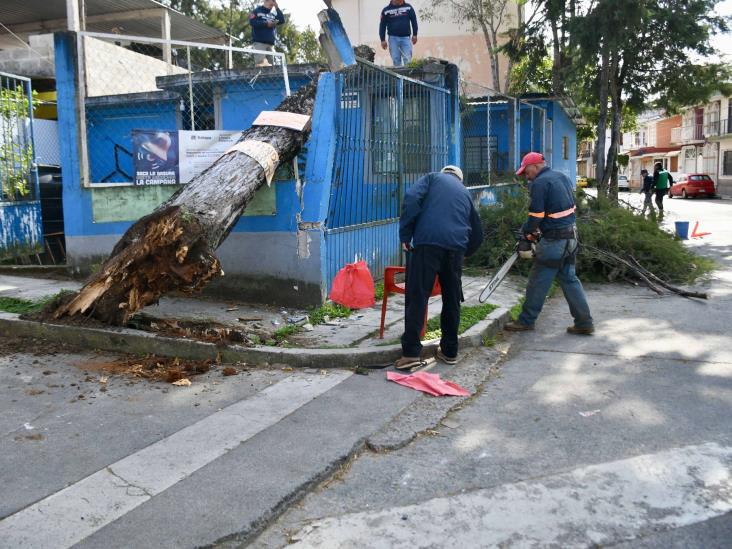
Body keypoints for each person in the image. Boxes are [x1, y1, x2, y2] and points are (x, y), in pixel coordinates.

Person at [397, 165, 484, 369]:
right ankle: (449, 351)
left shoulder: (432, 178)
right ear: (459, 179)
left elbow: (411, 198)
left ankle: (410, 353)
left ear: (445, 173)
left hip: (427, 244)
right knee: (452, 299)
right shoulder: (465, 193)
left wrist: (406, 234)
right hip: (455, 249)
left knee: (417, 296)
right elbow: (478, 234)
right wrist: (464, 254)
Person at [504, 152, 594, 335]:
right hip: (571, 238)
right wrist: (539, 228)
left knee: (538, 281)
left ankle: (526, 320)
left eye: (526, 172)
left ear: (535, 166)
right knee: (569, 279)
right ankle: (584, 322)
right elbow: (560, 209)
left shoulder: (540, 183)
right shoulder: (561, 177)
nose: (525, 177)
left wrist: (527, 232)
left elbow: (536, 214)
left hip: (554, 242)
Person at [379, 0, 419, 67]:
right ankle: (398, 77)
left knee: (408, 59)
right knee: (396, 60)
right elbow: (382, 26)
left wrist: (415, 34)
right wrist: (382, 39)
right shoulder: (386, 10)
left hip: (406, 38)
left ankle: (407, 76)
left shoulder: (408, 7)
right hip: (393, 39)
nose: (401, 1)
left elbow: (414, 21)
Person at [249, 0, 285, 67]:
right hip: (259, 43)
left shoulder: (273, 13)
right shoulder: (257, 11)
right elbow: (252, 22)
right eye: (273, 0)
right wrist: (266, 24)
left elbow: (282, 20)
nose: (274, 2)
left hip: (271, 44)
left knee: (272, 67)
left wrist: (277, 8)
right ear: (266, 1)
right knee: (260, 65)